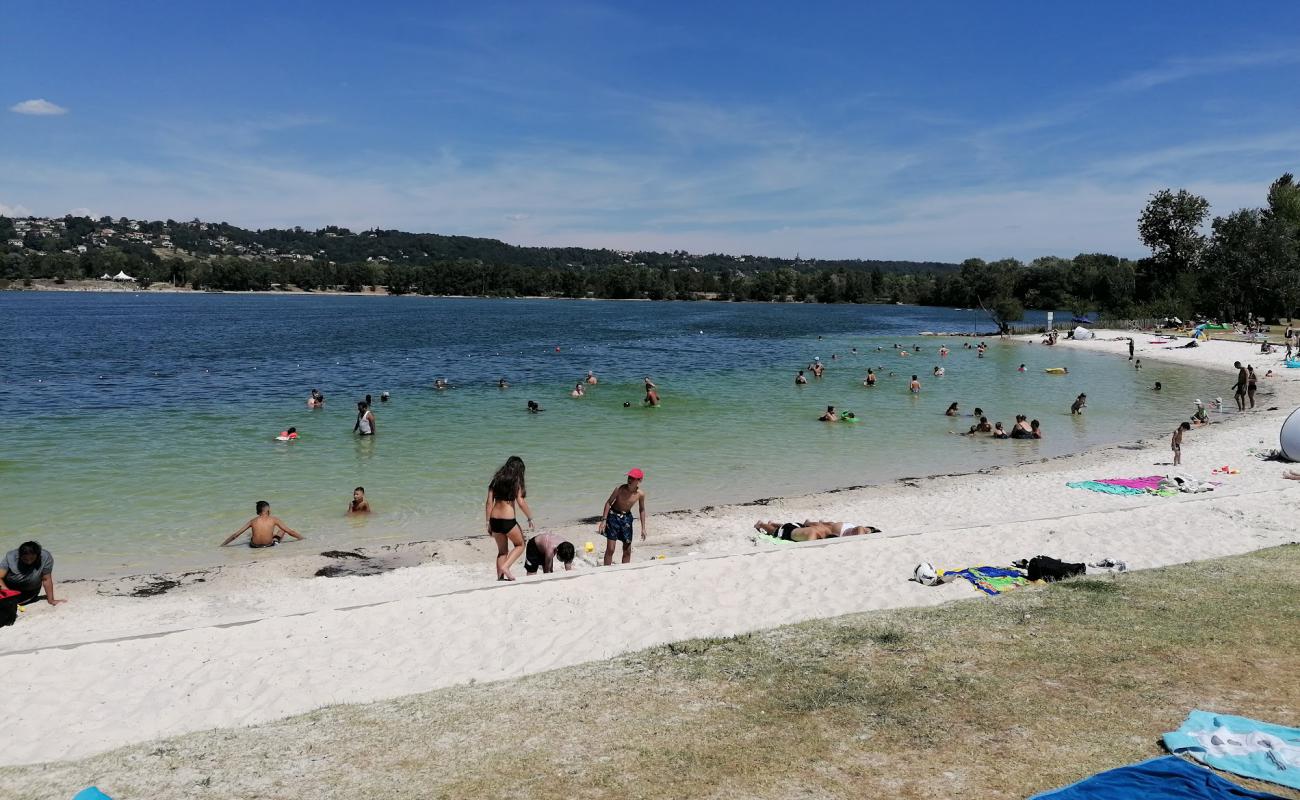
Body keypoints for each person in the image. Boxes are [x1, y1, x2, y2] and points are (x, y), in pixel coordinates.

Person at [485, 456, 534, 581]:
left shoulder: (495, 480)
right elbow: (521, 502)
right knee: (520, 544)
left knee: (502, 552)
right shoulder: (516, 481)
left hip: (494, 519)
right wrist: (530, 518)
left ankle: (500, 579)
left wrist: (488, 522)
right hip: (508, 521)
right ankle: (506, 567)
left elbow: (489, 503)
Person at [597, 468, 647, 565]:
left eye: (633, 478)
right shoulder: (619, 489)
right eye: (629, 477)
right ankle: (606, 570)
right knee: (611, 549)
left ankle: (625, 570)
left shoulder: (640, 494)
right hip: (613, 516)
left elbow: (642, 510)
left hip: (627, 518)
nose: (629, 479)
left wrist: (643, 528)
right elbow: (608, 503)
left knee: (627, 549)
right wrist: (604, 521)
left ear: (639, 480)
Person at [0, 541, 65, 607]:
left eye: (32, 558)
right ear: (19, 555)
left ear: (38, 555)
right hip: (8, 588)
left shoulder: (45, 557)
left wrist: (51, 600)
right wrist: (8, 593)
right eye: (25, 559)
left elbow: (46, 579)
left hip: (29, 592)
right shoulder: (11, 557)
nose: (29, 561)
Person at [220, 501, 305, 547]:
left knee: (251, 535)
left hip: (254, 546)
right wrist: (302, 538)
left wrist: (222, 545)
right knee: (282, 531)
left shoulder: (252, 521)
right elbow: (290, 532)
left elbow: (235, 535)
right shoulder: (274, 519)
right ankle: (273, 539)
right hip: (269, 545)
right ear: (268, 510)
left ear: (258, 511)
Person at [753, 519, 880, 542]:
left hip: (796, 527)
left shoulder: (824, 531)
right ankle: (761, 524)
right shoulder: (815, 534)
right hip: (791, 529)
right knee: (775, 532)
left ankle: (772, 523)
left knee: (785, 528)